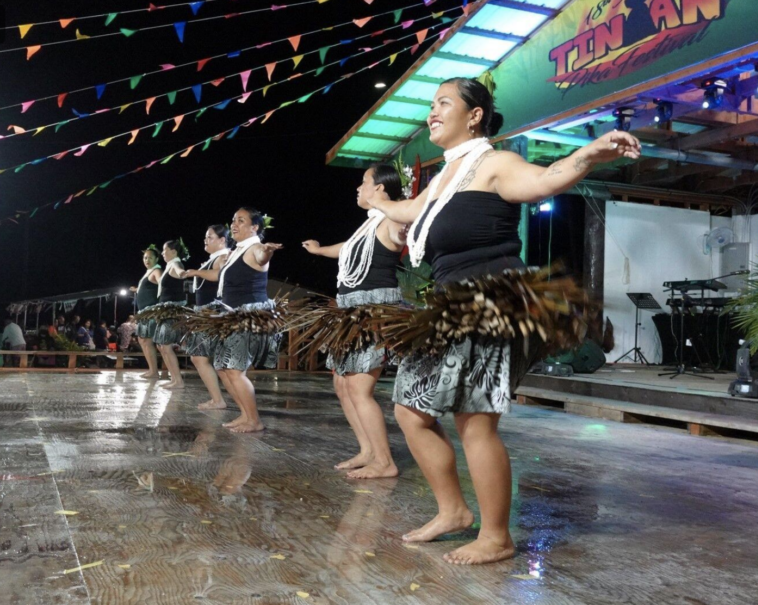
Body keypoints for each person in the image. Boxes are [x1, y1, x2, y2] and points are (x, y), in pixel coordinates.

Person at [367, 76, 641, 565]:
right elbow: (412, 210)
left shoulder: (494, 164)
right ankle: (453, 511)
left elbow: (544, 180)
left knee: (474, 421)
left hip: (490, 302)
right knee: (410, 409)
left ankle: (497, 536)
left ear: (474, 115)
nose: (432, 112)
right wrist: (377, 203)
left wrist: (589, 155)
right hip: (450, 306)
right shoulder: (445, 176)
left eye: (443, 103)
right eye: (431, 105)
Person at [302, 164, 406, 479]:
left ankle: (385, 462)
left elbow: (408, 228)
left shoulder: (392, 219)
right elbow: (347, 249)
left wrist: (402, 212)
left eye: (364, 183)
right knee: (342, 383)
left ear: (381, 189)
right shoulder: (366, 226)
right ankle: (367, 450)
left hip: (373, 313)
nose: (358, 188)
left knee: (360, 387)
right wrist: (319, 251)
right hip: (349, 312)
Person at [213, 207, 282, 433]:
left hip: (246, 317)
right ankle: (244, 415)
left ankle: (254, 420)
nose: (234, 224)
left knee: (234, 370)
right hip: (229, 316)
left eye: (241, 221)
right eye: (233, 220)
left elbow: (262, 258)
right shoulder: (235, 251)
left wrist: (268, 252)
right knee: (223, 369)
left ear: (254, 227)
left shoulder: (254, 248)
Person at [181, 225, 231, 410]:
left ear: (222, 240)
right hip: (206, 313)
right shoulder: (214, 258)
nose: (205, 240)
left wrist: (196, 272)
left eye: (209, 237)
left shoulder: (224, 257)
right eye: (205, 237)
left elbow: (218, 275)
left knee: (203, 358)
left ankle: (219, 400)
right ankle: (218, 400)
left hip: (213, 313)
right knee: (203, 359)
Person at [152, 239, 189, 389]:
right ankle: (174, 378)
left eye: (164, 250)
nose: (162, 253)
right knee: (161, 346)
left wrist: (184, 273)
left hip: (172, 310)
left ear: (173, 251)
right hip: (165, 310)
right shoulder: (169, 266)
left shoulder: (175, 264)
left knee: (166, 346)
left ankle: (178, 381)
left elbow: (181, 274)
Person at [131, 246, 162, 378]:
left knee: (148, 340)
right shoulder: (148, 272)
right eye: (145, 257)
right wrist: (138, 289)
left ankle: (154, 371)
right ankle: (152, 370)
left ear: (156, 259)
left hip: (151, 312)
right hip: (144, 312)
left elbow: (162, 283)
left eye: (150, 257)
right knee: (143, 340)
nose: (147, 260)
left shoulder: (156, 270)